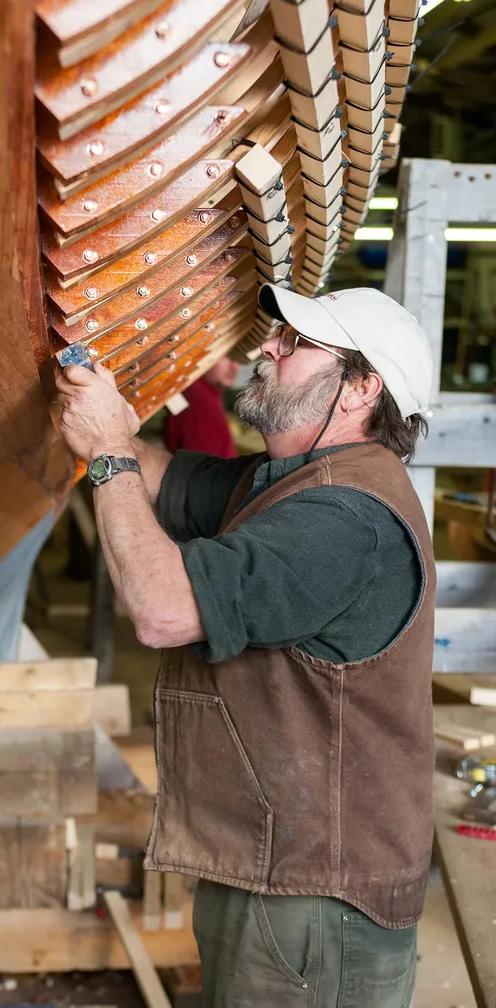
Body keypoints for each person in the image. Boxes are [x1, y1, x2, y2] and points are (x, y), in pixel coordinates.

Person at [55, 284, 434, 1008]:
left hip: (316, 901)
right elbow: (159, 475)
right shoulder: (286, 484)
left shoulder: (346, 521)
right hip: (274, 874)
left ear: (360, 388)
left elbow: (163, 611)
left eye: (295, 345)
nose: (267, 349)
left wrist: (106, 452)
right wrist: (88, 417)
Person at [163, 357, 240, 458]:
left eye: (238, 359)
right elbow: (199, 466)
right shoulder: (198, 397)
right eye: (227, 356)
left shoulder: (208, 394)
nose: (234, 366)